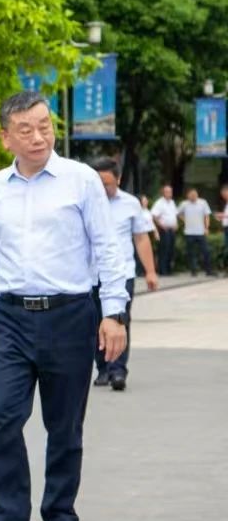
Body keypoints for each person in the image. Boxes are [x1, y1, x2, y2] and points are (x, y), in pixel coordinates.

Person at [0, 90, 127, 521]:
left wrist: (113, 313)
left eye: (45, 126)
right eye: (26, 129)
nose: (38, 137)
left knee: (65, 425)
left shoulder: (81, 180)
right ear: (5, 137)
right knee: (3, 415)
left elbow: (108, 249)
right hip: (11, 318)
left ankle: (61, 518)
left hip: (70, 316)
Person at [89, 158, 158, 392]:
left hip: (122, 273)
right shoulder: (85, 202)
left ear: (118, 179)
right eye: (98, 183)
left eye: (107, 184)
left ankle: (118, 370)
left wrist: (150, 271)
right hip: (91, 275)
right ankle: (103, 369)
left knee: (119, 319)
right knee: (95, 322)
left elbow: (141, 238)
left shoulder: (130, 204)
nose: (103, 188)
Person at [177, 187, 214, 276]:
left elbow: (207, 216)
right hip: (189, 232)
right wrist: (184, 220)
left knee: (206, 251)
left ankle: (208, 271)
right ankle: (193, 271)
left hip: (201, 232)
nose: (194, 196)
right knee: (191, 253)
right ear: (188, 196)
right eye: (192, 195)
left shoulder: (203, 202)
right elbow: (178, 213)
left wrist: (207, 228)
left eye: (195, 194)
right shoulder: (184, 204)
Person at [149, 185, 179, 275]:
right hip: (164, 230)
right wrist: (161, 225)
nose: (169, 193)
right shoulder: (159, 203)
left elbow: (174, 215)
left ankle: (169, 269)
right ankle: (162, 270)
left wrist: (176, 224)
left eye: (170, 192)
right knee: (164, 250)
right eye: (167, 192)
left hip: (172, 229)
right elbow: (154, 216)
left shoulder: (172, 202)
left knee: (171, 250)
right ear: (163, 193)